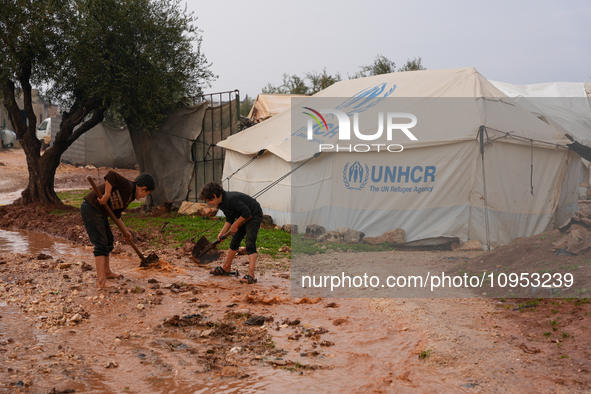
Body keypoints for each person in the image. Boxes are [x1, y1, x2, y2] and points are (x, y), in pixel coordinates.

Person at [81, 171, 155, 288]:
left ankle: (107, 272)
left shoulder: (129, 197)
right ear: (143, 189)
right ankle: (101, 281)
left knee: (109, 241)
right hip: (91, 208)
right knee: (101, 244)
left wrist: (125, 231)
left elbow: (116, 214)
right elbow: (111, 175)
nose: (143, 197)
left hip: (100, 213)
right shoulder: (127, 186)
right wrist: (106, 195)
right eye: (145, 194)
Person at [199, 182, 263, 284]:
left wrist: (236, 225)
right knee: (234, 241)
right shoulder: (221, 203)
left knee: (250, 242)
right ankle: (226, 267)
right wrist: (222, 232)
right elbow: (230, 217)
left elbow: (247, 212)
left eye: (209, 200)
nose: (209, 203)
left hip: (253, 214)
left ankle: (251, 274)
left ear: (215, 196)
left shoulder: (230, 199)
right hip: (243, 215)